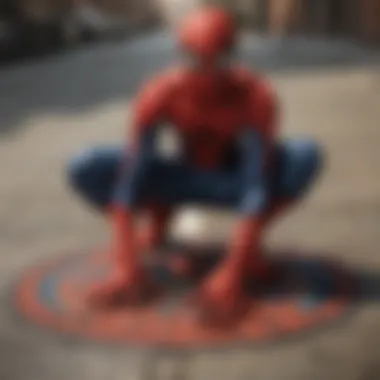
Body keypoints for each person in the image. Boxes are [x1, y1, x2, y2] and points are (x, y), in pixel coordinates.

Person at [67, 6, 323, 326]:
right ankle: (159, 220)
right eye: (195, 59)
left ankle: (251, 247)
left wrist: (235, 265)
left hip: (230, 182)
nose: (206, 72)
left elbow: (256, 180)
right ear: (180, 54)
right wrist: (125, 262)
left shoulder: (256, 95)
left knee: (305, 155)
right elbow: (132, 175)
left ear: (233, 54)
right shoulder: (160, 92)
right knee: (86, 165)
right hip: (181, 178)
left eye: (217, 60)